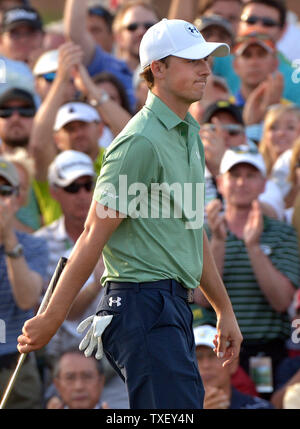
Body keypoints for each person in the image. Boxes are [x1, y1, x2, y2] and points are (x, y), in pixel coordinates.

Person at [17, 18, 242, 410]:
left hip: (168, 306)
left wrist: (224, 310)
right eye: (192, 61)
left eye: (206, 59)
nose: (205, 68)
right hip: (140, 305)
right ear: (158, 68)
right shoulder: (138, 141)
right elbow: (92, 234)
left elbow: (193, 232)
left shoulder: (188, 134)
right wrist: (53, 317)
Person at [202, 146, 300, 388]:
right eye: (234, 175)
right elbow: (200, 298)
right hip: (214, 352)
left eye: (251, 175)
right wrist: (218, 242)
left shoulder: (283, 234)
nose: (242, 182)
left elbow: (281, 301)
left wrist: (253, 247)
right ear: (220, 182)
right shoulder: (204, 233)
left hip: (265, 352)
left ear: (264, 184)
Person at [0, 157, 48, 408]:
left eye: (5, 191)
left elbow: (27, 298)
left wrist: (8, 237)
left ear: (19, 198)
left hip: (15, 366)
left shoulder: (35, 245)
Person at [213, 0, 300, 107]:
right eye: (251, 20)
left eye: (268, 23)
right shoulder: (219, 59)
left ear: (283, 30)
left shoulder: (296, 79)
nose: (258, 27)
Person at [64, 0, 136, 112]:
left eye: (95, 30)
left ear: (112, 37)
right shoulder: (101, 65)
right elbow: (75, 33)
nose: (87, 37)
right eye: (86, 31)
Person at [194, 324, 274, 409]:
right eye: (197, 357)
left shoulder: (260, 407)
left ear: (233, 363)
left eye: (215, 355)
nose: (206, 365)